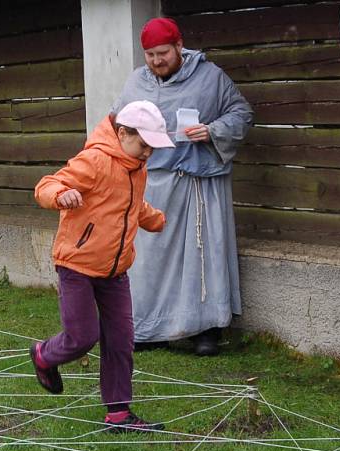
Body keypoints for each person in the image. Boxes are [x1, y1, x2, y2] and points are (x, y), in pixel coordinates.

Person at [31, 100, 174, 433]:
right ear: (123, 133)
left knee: (121, 340)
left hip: (115, 271)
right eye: (143, 145)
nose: (148, 154)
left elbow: (128, 205)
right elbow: (46, 185)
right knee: (82, 336)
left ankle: (119, 414)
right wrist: (60, 194)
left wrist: (154, 219)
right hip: (77, 265)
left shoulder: (137, 166)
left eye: (153, 148)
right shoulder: (95, 160)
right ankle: (43, 355)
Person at [113, 18, 253, 356]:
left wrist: (214, 130)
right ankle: (151, 328)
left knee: (202, 256)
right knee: (149, 261)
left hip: (197, 183)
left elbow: (242, 112)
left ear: (179, 46)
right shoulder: (136, 82)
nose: (157, 61)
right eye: (150, 55)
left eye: (162, 52)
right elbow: (115, 123)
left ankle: (205, 330)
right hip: (153, 185)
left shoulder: (210, 77)